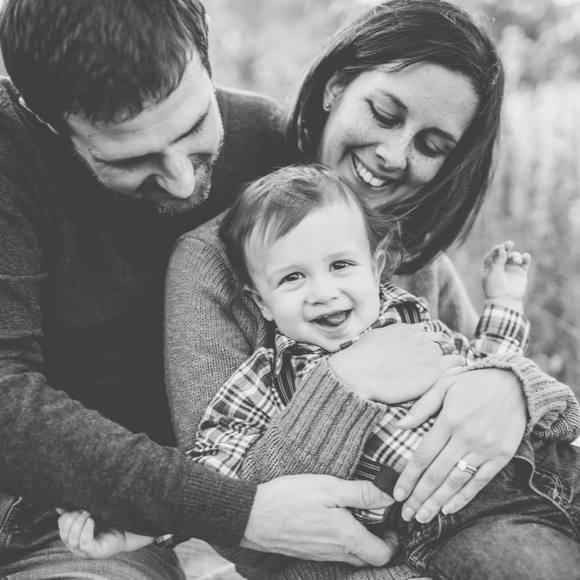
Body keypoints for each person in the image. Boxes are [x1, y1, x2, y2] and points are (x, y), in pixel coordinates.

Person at [163, 0, 580, 577]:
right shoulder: (212, 263)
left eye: (431, 146)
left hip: (532, 483)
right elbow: (233, 516)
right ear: (336, 87)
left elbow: (501, 382)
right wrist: (346, 381)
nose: (393, 155)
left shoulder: (414, 262)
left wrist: (513, 388)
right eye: (384, 114)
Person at [0, 0, 400, 577]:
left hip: (105, 528)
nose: (184, 181)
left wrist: (500, 381)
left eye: (193, 127)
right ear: (46, 121)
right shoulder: (9, 156)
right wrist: (236, 511)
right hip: (107, 500)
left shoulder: (264, 143)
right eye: (132, 158)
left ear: (205, 52)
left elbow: (374, 258)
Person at [59, 165, 580, 580]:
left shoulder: (409, 321)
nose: (324, 292)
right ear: (261, 303)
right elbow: (216, 481)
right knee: (538, 568)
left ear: (376, 267)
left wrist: (504, 304)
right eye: (292, 277)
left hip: (550, 465)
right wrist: (144, 521)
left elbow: (484, 376)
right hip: (461, 518)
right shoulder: (267, 379)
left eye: (340, 265)